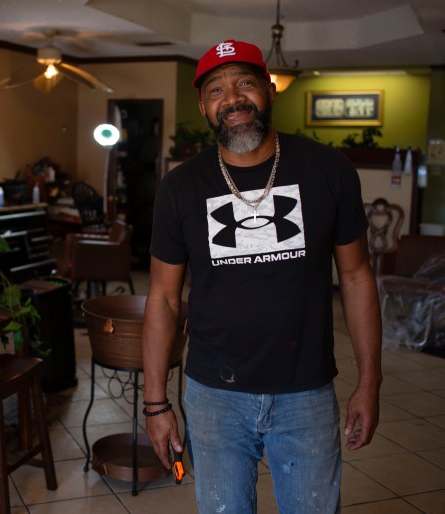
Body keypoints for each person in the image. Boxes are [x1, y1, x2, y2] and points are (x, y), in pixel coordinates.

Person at [141, 40, 382, 513]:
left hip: (306, 393)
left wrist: (370, 381)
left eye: (245, 83)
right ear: (203, 106)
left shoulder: (328, 170)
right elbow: (164, 299)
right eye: (216, 90)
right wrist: (155, 403)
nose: (231, 99)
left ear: (270, 91)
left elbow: (355, 279)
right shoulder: (181, 187)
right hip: (214, 397)